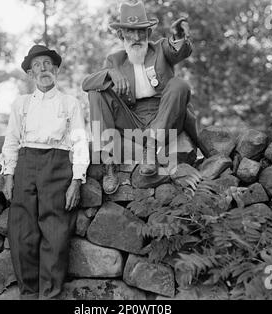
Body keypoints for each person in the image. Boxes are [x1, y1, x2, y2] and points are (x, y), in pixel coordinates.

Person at [0, 44, 90, 300]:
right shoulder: (21, 104)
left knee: (56, 234)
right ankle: (29, 294)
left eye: (48, 64)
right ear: (30, 73)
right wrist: (8, 175)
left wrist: (77, 180)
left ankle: (50, 295)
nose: (43, 69)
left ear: (56, 69)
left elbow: (80, 142)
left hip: (57, 165)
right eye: (37, 65)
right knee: (21, 234)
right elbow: (11, 141)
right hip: (26, 165)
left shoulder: (70, 103)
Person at [82, 1, 199, 195]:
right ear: (121, 35)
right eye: (130, 32)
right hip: (132, 119)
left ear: (148, 34)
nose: (136, 37)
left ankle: (151, 149)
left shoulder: (160, 49)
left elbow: (179, 51)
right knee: (97, 92)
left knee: (179, 84)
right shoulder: (115, 60)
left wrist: (178, 36)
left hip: (165, 115)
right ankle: (109, 166)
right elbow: (86, 84)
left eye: (141, 32)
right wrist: (111, 73)